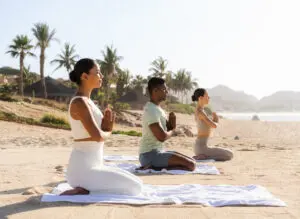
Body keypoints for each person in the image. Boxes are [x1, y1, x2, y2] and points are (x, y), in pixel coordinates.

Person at [61, 58, 143, 196]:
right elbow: (97, 136)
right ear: (84, 76)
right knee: (135, 188)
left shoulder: (88, 101)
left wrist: (105, 128)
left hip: (94, 166)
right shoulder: (79, 103)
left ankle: (87, 189)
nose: (102, 76)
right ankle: (83, 188)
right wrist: (108, 131)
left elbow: (98, 133)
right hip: (83, 170)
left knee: (138, 183)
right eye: (98, 72)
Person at [138, 77, 196, 171]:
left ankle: (156, 166)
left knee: (192, 161)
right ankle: (153, 167)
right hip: (149, 155)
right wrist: (173, 130)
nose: (167, 92)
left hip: (158, 152)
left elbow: (165, 130)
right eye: (164, 89)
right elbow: (161, 137)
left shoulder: (158, 109)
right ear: (155, 90)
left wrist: (171, 124)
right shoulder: (151, 110)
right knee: (191, 165)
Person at [192, 88, 233, 161]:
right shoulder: (201, 112)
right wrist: (216, 120)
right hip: (201, 148)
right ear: (201, 98)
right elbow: (214, 125)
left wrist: (214, 119)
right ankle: (203, 157)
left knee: (229, 154)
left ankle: (203, 156)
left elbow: (209, 125)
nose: (209, 97)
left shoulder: (200, 111)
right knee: (229, 155)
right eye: (207, 96)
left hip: (201, 146)